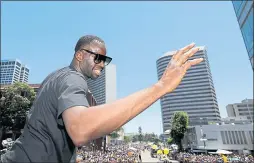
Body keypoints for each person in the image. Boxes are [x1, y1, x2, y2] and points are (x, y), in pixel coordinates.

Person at [0, 35, 203, 163]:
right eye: (98, 57)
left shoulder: (54, 77)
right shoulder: (73, 79)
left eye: (106, 60)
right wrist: (161, 86)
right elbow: (80, 130)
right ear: (80, 55)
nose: (102, 64)